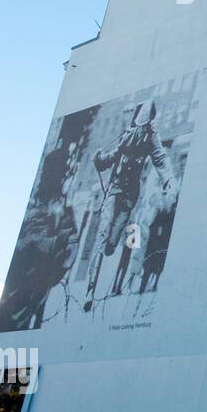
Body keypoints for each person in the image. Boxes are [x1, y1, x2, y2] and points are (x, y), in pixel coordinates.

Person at [83, 102, 177, 312]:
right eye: (140, 122)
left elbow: (160, 159)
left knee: (112, 241)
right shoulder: (127, 135)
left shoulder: (151, 137)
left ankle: (111, 244)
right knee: (102, 234)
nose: (141, 126)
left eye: (145, 123)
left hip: (130, 195)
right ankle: (90, 290)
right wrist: (99, 160)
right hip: (115, 190)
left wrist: (168, 180)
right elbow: (111, 158)